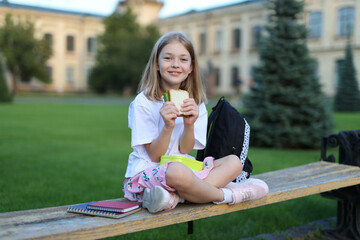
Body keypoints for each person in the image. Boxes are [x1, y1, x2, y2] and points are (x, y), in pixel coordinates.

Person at [122, 31, 268, 213]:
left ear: (191, 67)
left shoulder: (195, 103)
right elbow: (154, 157)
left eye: (183, 59)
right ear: (157, 64)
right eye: (168, 58)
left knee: (234, 162)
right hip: (152, 172)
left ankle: (177, 197)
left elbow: (185, 149)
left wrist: (189, 124)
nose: (175, 64)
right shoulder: (143, 102)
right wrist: (168, 126)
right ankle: (228, 195)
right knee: (176, 171)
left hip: (183, 167)